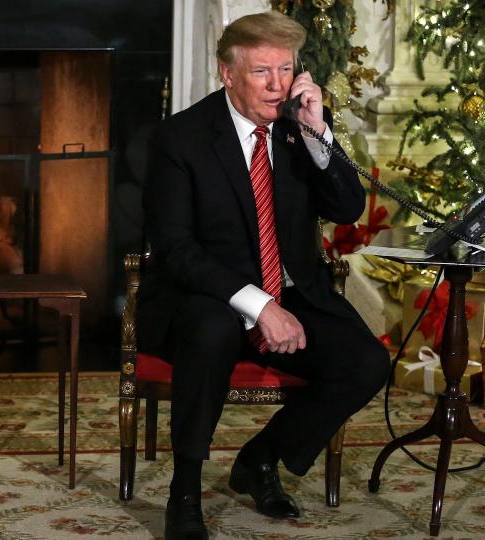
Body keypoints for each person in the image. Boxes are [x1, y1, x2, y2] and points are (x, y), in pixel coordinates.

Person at [137, 11, 388, 539]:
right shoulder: (179, 139)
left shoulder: (300, 131)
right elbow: (176, 249)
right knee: (211, 332)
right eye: (261, 73)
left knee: (366, 362)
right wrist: (259, 305)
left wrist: (320, 133)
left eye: (286, 70)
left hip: (293, 289)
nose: (277, 86)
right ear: (227, 74)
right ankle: (184, 491)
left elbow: (347, 208)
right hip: (205, 293)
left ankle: (260, 459)